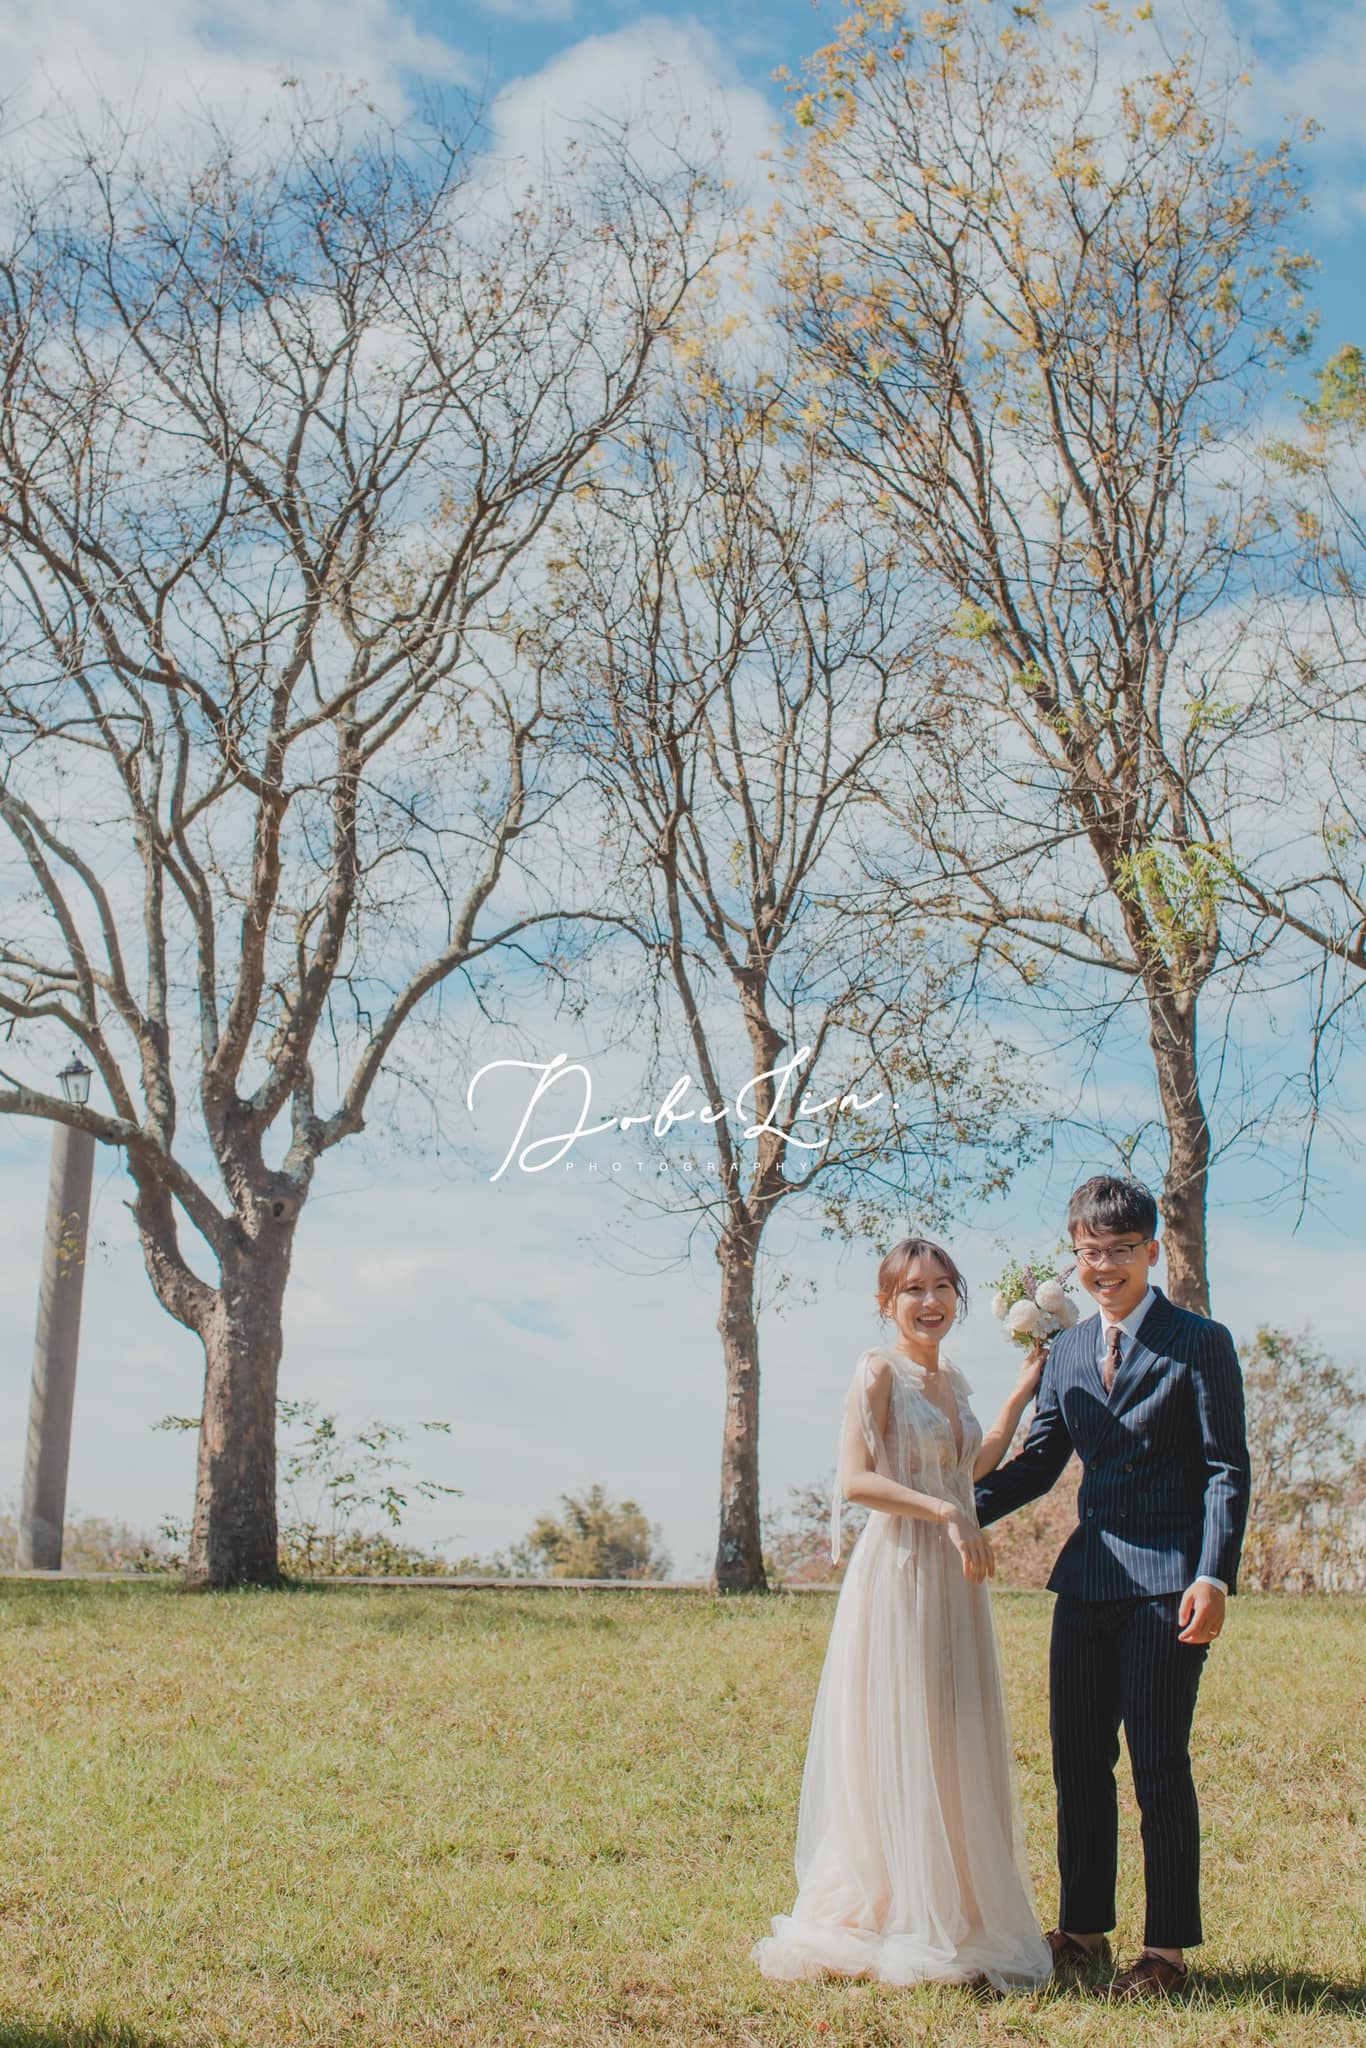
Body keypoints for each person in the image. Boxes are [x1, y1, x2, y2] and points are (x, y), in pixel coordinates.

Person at [974, 1175, 1251, 2001]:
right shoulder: (1064, 1352)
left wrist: (1213, 1573)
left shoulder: (1201, 1341)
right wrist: (946, 1510)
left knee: (1159, 1764)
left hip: (1170, 1587)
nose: (1104, 1266)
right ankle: (1084, 1932)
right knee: (1077, 1762)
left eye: (1120, 1250)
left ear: (1151, 1252)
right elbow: (1039, 1464)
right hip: (1088, 1582)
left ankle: (1165, 1954)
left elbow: (1226, 1468)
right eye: (1089, 1253)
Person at [752, 1237, 1054, 1992]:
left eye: (943, 1287)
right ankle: (891, 1903)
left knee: (951, 1733)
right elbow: (855, 1482)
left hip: (955, 1577)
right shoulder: (877, 1371)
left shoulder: (951, 1378)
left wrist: (1018, 1396)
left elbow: (967, 1468)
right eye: (913, 1289)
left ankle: (952, 1901)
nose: (930, 1301)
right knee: (903, 1728)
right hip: (901, 1568)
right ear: (885, 1302)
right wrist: (946, 1515)